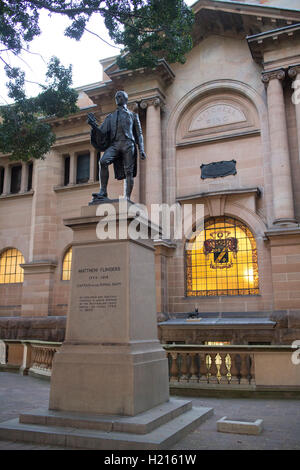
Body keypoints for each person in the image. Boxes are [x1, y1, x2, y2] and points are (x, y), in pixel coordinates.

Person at [87, 90, 146, 202]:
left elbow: (139, 134)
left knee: (129, 171)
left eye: (120, 96)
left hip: (128, 144)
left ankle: (127, 197)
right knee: (103, 161)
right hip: (115, 144)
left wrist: (141, 149)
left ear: (125, 99)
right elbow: (102, 132)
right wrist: (93, 126)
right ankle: (103, 191)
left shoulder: (133, 115)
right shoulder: (111, 117)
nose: (117, 98)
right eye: (116, 97)